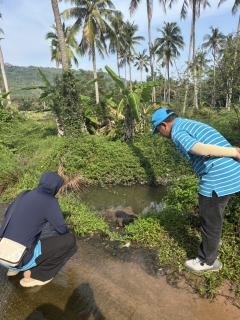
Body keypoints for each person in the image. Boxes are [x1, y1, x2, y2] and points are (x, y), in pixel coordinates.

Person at [151, 108, 240, 272]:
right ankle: (212, 243)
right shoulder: (189, 124)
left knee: (209, 217)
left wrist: (233, 152)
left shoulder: (177, 132)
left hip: (217, 175)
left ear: (163, 125)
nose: (161, 134)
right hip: (232, 173)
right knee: (215, 214)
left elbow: (200, 149)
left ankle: (207, 261)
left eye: (158, 130)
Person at [0, 172, 77, 287]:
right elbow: (62, 231)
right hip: (21, 260)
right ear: (56, 187)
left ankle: (13, 269)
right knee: (70, 240)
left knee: (26, 232)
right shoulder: (50, 201)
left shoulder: (24, 194)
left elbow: (8, 214)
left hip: (2, 253)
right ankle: (37, 275)